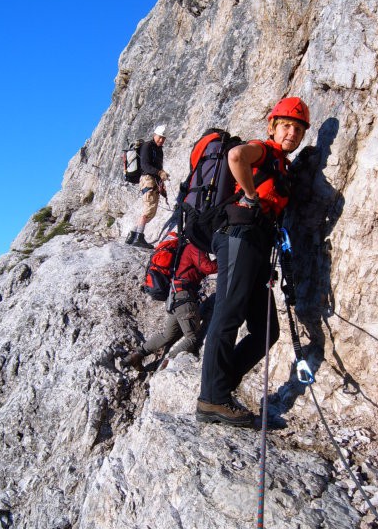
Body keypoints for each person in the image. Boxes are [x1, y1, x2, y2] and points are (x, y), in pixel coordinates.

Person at [196, 97, 311, 427]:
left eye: (298, 128)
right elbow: (236, 156)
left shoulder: (282, 165)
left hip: (258, 243)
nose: (292, 132)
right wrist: (250, 194)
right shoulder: (262, 149)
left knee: (267, 331)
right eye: (286, 125)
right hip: (240, 234)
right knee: (228, 312)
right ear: (273, 127)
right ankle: (212, 400)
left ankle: (220, 388)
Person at [122, 242, 217, 368]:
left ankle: (135, 355)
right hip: (185, 297)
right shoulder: (195, 246)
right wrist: (226, 257)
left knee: (167, 335)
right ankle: (167, 363)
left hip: (175, 297)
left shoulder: (182, 249)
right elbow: (207, 267)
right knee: (192, 338)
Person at [126, 125, 170, 249]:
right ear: (154, 135)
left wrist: (161, 181)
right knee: (149, 209)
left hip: (153, 180)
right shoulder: (147, 146)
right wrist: (160, 173)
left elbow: (155, 167)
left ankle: (132, 235)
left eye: (163, 138)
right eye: (160, 137)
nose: (161, 140)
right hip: (147, 180)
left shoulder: (158, 149)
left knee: (150, 211)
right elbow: (145, 166)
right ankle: (138, 237)